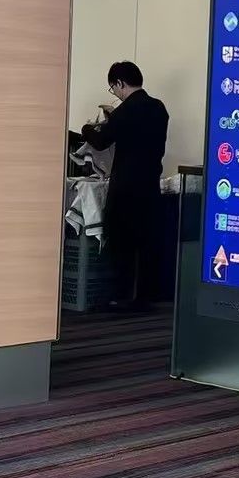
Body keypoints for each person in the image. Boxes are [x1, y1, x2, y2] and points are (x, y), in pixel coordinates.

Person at [81, 61, 169, 308]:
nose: (115, 93)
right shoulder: (158, 108)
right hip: (150, 184)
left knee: (121, 241)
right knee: (147, 242)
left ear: (120, 83)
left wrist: (87, 128)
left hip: (125, 187)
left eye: (114, 88)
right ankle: (146, 297)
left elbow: (101, 141)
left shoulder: (125, 111)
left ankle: (120, 297)